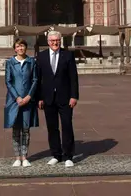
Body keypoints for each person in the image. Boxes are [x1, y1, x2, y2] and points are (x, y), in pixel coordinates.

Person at [36, 31, 79, 167]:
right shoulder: (41, 56)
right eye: (53, 40)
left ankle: (68, 156)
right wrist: (39, 98)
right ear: (48, 42)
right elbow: (38, 79)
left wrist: (74, 96)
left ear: (60, 41)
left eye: (57, 40)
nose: (55, 43)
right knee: (52, 127)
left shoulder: (68, 55)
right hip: (48, 98)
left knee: (67, 125)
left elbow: (73, 77)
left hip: (65, 98)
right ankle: (56, 154)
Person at [4, 39, 39, 167]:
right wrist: (17, 97)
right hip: (14, 101)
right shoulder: (10, 63)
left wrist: (29, 96)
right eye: (18, 46)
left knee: (26, 129)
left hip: (28, 100)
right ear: (15, 49)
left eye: (22, 46)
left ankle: (25, 157)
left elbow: (35, 80)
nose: (20, 48)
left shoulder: (31, 62)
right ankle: (17, 157)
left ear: (26, 48)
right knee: (15, 128)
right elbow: (8, 81)